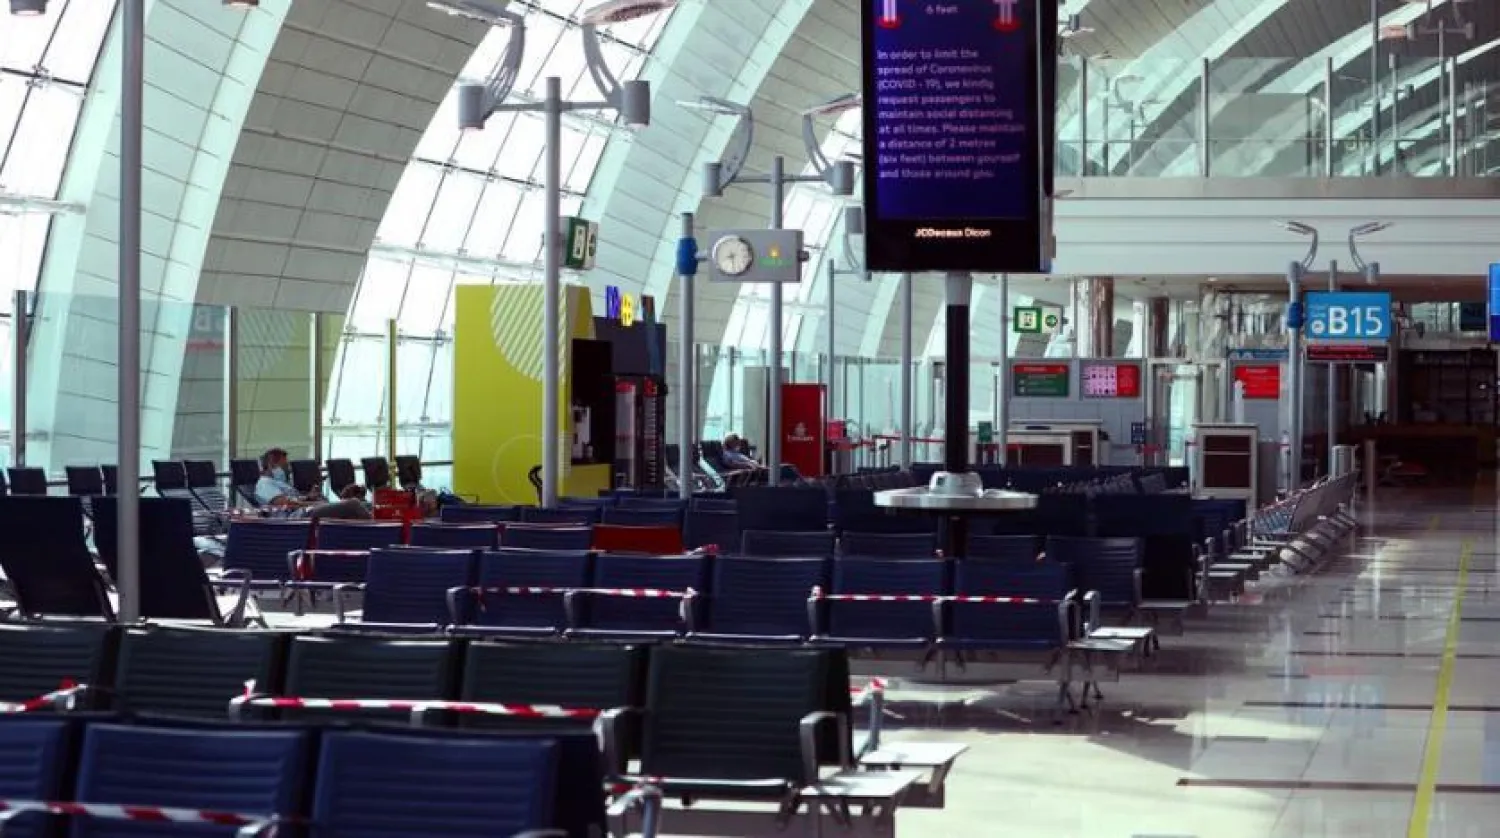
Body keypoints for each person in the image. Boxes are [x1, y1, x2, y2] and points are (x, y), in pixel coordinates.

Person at [255, 448, 372, 521]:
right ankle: (378, 530)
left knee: (365, 505)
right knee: (353, 504)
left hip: (305, 511)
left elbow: (291, 499)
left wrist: (308, 497)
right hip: (296, 518)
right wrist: (316, 503)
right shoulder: (264, 483)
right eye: (284, 466)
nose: (287, 470)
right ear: (271, 465)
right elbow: (286, 504)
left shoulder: (279, 483)